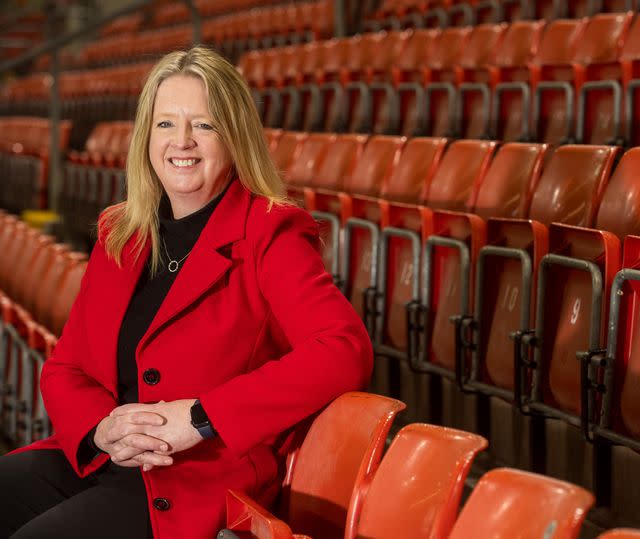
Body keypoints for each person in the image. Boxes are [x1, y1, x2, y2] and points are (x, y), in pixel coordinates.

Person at [0, 46, 373, 539]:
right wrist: (100, 429)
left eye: (204, 125)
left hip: (198, 478)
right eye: (165, 124)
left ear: (233, 135)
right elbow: (66, 367)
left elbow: (343, 349)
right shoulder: (122, 233)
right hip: (108, 457)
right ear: (145, 138)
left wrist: (200, 416)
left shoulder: (268, 231)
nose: (182, 142)